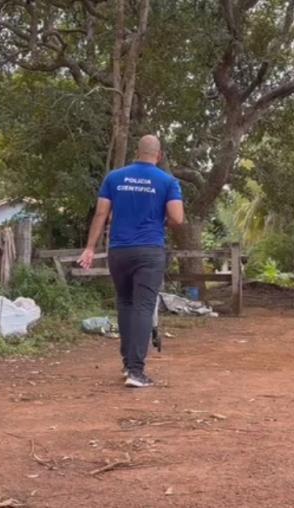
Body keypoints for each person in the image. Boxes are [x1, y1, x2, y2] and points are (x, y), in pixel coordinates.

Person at [78, 135, 185, 387]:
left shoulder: (114, 178)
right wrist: (161, 221)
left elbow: (101, 214)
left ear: (138, 153)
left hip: (119, 251)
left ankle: (128, 364)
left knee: (125, 303)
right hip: (149, 251)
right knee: (143, 307)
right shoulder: (168, 181)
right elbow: (178, 218)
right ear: (159, 156)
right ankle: (136, 372)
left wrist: (90, 248)